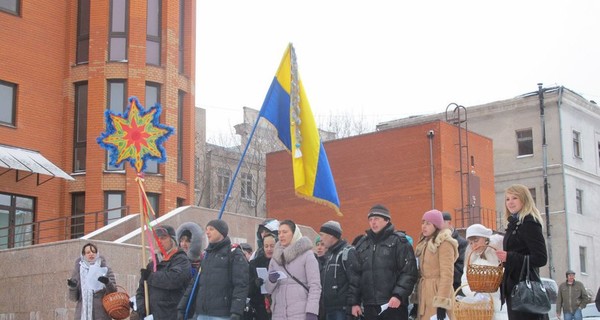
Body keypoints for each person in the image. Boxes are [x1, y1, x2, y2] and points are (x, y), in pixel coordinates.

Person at [351, 204, 418, 320]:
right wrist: (354, 302)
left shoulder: (399, 242)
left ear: (387, 220)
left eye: (376, 219)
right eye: (370, 220)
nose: (373, 222)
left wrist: (398, 295)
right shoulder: (362, 244)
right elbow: (355, 276)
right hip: (369, 306)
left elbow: (409, 272)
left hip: (393, 305)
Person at [495, 184, 548, 320]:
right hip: (514, 287)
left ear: (524, 200)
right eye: (507, 199)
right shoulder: (514, 223)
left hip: (525, 287)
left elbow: (541, 258)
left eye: (514, 198)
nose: (510, 202)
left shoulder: (529, 223)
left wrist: (510, 257)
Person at [179, 219, 249, 320]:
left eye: (211, 229)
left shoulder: (234, 254)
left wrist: (236, 312)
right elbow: (194, 284)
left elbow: (241, 285)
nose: (207, 232)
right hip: (201, 312)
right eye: (206, 229)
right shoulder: (206, 255)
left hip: (222, 314)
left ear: (221, 232)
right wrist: (182, 307)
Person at [266, 219, 322, 320]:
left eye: (285, 232)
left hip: (301, 313)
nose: (281, 235)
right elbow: (268, 289)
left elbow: (315, 286)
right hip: (278, 313)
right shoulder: (275, 258)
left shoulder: (307, 254)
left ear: (294, 233)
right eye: (279, 233)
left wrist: (311, 311)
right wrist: (271, 280)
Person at [135, 225, 192, 320]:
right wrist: (142, 309)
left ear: (172, 240)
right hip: (151, 315)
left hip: (171, 314)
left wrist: (151, 276)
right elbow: (141, 290)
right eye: (157, 238)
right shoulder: (152, 264)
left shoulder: (181, 260)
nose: (159, 241)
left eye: (163, 238)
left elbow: (174, 279)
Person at [415, 209, 459, 320]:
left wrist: (441, 303)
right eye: (423, 222)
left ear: (436, 226)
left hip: (438, 292)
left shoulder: (444, 243)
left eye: (428, 223)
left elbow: (447, 275)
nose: (424, 226)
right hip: (425, 292)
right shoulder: (424, 243)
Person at [460, 224, 506, 320]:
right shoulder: (470, 260)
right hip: (478, 309)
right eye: (471, 243)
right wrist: (475, 295)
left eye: (476, 241)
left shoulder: (497, 255)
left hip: (499, 305)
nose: (474, 245)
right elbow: (464, 283)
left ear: (485, 239)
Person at [319, 220, 359, 320]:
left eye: (322, 235)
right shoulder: (329, 255)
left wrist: (354, 303)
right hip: (329, 308)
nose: (321, 239)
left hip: (342, 309)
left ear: (331, 235)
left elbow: (355, 280)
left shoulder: (347, 253)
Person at [68, 242, 117, 320]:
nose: (91, 254)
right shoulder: (78, 271)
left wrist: (107, 282)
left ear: (97, 254)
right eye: (88, 252)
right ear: (83, 255)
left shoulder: (105, 269)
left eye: (93, 252)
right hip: (82, 315)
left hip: (101, 314)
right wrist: (73, 287)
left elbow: (113, 291)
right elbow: (73, 298)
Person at [247, 233, 277, 320]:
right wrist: (255, 283)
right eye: (266, 246)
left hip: (277, 307)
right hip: (259, 308)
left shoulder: (281, 263)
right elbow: (248, 290)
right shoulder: (254, 263)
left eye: (272, 246)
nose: (269, 249)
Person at [442, 212, 468, 292]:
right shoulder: (436, 242)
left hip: (455, 288)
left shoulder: (461, 243)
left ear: (449, 223)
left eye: (441, 223)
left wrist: (445, 268)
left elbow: (462, 268)